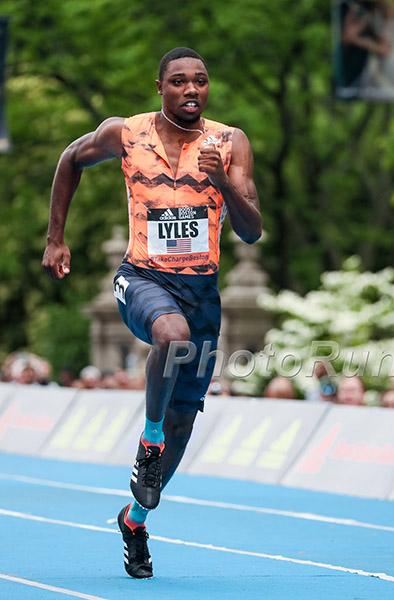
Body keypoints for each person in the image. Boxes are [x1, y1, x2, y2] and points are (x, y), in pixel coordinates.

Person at [42, 47, 262, 579]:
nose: (191, 89)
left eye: (200, 81)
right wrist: (55, 238)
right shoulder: (125, 133)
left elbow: (252, 229)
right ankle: (150, 435)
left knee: (185, 421)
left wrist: (223, 181)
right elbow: (70, 159)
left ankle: (135, 521)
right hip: (143, 277)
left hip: (202, 291)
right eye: (179, 81)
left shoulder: (229, 143)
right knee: (171, 334)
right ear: (160, 87)